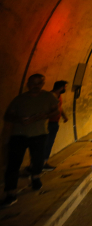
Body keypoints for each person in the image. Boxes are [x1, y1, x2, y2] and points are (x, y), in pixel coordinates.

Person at [2, 74, 58, 208]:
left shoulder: (48, 97)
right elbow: (8, 115)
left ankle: (35, 178)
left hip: (39, 134)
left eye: (39, 83)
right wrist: (19, 120)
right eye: (33, 83)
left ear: (43, 84)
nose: (35, 86)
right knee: (13, 165)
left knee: (38, 160)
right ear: (28, 84)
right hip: (19, 135)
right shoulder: (20, 99)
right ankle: (11, 193)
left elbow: (55, 112)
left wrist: (45, 116)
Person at [42, 80, 69, 171]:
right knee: (45, 144)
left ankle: (44, 162)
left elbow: (59, 107)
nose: (65, 89)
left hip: (54, 123)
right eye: (65, 87)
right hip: (48, 123)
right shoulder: (50, 96)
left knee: (49, 143)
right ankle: (40, 164)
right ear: (61, 87)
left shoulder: (58, 96)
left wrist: (64, 116)